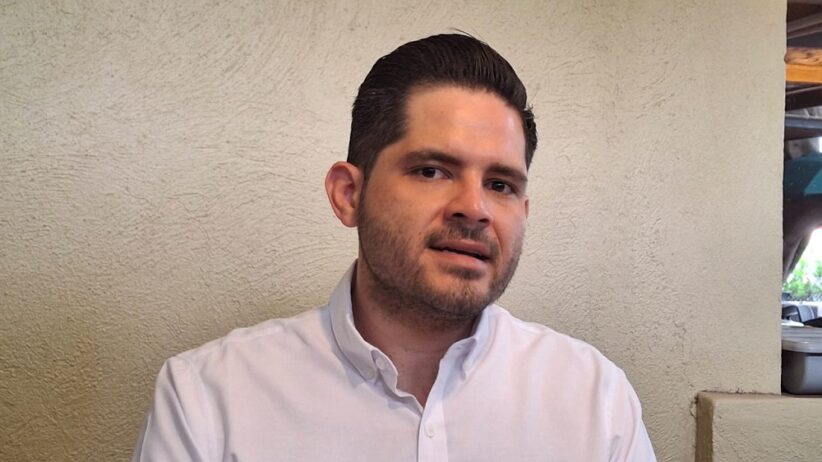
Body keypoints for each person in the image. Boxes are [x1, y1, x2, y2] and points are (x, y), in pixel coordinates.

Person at [132, 33, 656, 461]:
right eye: (432, 171)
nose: (474, 208)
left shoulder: (595, 401)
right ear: (349, 195)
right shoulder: (208, 399)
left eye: (500, 184)